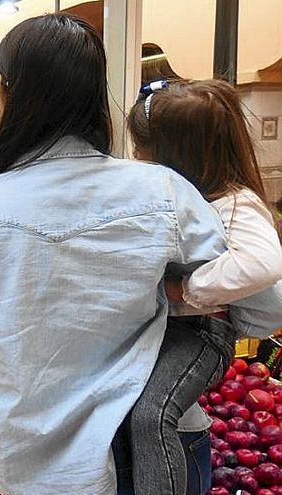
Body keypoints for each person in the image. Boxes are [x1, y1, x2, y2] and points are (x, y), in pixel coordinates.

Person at [0, 13, 282, 494]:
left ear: (10, 95)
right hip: (149, 457)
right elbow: (266, 309)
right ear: (95, 98)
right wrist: (184, 294)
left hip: (25, 461)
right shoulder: (165, 192)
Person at [126, 79, 282, 494]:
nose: (137, 159)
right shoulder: (179, 197)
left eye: (143, 150)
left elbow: (263, 263)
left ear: (173, 154)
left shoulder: (233, 202)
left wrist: (185, 288)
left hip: (201, 333)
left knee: (150, 416)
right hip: (165, 330)